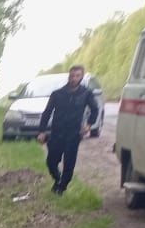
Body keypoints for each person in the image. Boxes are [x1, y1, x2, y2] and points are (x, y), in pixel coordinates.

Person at [37, 65, 99, 194]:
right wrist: (42, 131)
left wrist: (88, 125)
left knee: (69, 163)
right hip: (57, 132)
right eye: (72, 76)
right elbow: (47, 112)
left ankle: (62, 186)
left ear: (81, 77)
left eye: (77, 76)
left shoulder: (86, 94)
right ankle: (57, 178)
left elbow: (95, 109)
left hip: (74, 133)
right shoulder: (57, 94)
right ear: (68, 76)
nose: (74, 78)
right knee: (51, 161)